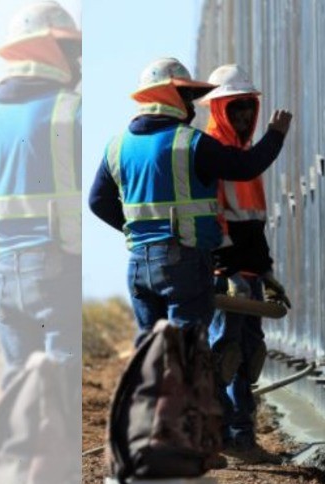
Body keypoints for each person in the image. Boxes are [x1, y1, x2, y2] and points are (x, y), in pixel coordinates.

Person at [88, 57, 292, 345]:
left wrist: (139, 230)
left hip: (138, 264)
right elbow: (244, 167)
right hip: (183, 263)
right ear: (169, 96)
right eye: (187, 95)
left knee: (152, 351)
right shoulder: (190, 142)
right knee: (187, 353)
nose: (192, 105)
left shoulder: (116, 146)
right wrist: (275, 136)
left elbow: (98, 202)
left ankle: (151, 390)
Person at [0, 1, 82, 389]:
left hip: (5, 275)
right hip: (57, 272)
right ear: (45, 49)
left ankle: (19, 450)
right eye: (70, 49)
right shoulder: (72, 112)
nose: (77, 60)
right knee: (59, 388)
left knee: (20, 394)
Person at [199, 64, 291, 459]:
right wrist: (226, 270)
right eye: (235, 109)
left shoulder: (242, 155)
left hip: (249, 274)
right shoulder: (215, 152)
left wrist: (266, 272)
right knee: (226, 353)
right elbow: (215, 218)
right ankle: (222, 436)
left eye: (247, 109)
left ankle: (241, 436)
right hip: (230, 275)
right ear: (219, 109)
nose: (243, 117)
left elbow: (252, 224)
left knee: (248, 356)